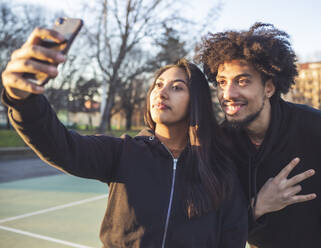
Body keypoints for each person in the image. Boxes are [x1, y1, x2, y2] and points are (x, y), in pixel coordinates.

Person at [1, 28, 248, 248]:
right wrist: (23, 99)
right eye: (158, 84)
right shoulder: (123, 152)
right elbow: (61, 146)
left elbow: (231, 238)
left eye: (177, 87)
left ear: (196, 101)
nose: (161, 92)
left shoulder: (220, 169)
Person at [195, 22, 321, 248]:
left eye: (242, 81)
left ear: (269, 88)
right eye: (222, 82)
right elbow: (215, 229)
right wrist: (259, 206)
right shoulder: (220, 145)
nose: (228, 93)